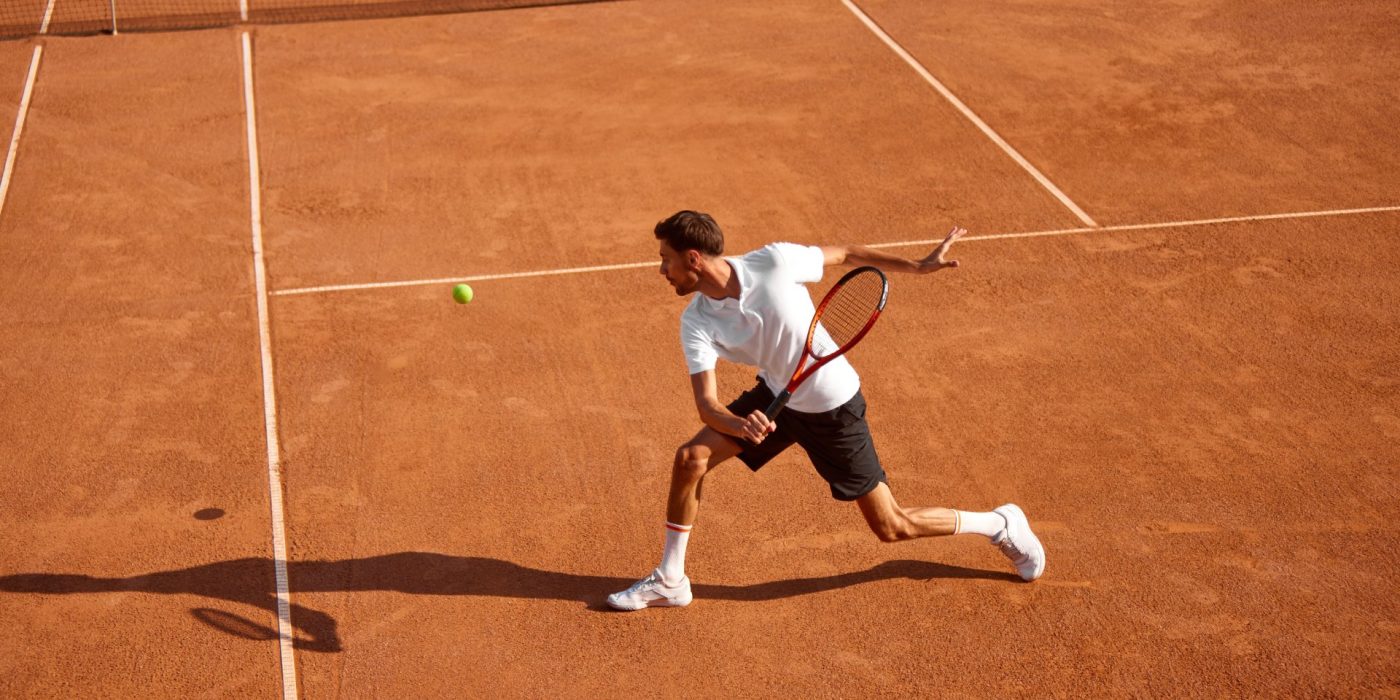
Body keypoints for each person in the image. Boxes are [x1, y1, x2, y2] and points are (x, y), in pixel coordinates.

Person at [606, 210, 1045, 611]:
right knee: (691, 458)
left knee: (893, 526)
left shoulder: (774, 264)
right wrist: (739, 422)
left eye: (666, 259)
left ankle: (998, 522)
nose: (662, 270)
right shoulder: (696, 320)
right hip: (778, 395)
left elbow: (847, 254)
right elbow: (707, 406)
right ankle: (670, 579)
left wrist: (916, 266)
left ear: (694, 259)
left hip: (832, 406)